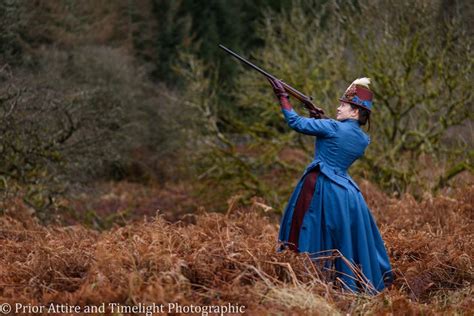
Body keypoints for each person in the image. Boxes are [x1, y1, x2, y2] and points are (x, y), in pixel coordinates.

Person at [267, 77, 393, 294]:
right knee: (342, 240)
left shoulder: (333, 127)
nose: (338, 107)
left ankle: (306, 280)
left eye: (343, 105)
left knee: (308, 231)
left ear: (355, 112)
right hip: (347, 193)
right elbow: (337, 139)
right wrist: (317, 117)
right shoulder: (363, 140)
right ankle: (344, 284)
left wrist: (283, 97)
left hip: (320, 186)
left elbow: (295, 122)